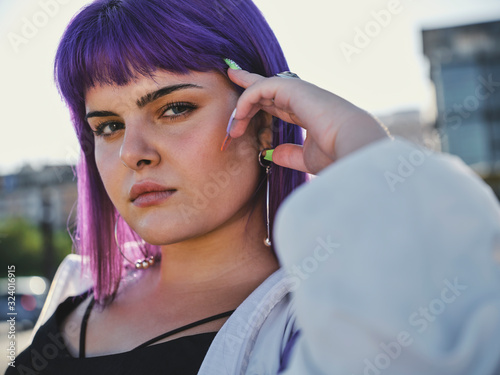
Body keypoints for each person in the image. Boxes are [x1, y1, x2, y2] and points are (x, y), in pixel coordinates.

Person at [7, 0, 500, 374]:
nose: (134, 151)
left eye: (174, 108)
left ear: (264, 120)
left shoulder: (324, 315)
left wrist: (362, 149)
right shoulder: (78, 289)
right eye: (108, 125)